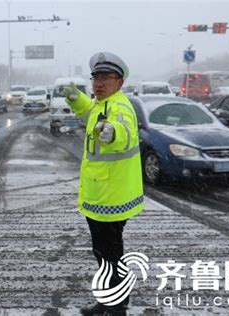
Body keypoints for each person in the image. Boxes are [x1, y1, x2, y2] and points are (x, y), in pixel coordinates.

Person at [62, 52, 145, 315]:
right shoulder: (103, 103)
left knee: (109, 255)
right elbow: (90, 112)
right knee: (105, 253)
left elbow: (124, 132)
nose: (99, 83)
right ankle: (110, 301)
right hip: (103, 194)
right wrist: (76, 99)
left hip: (111, 196)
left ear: (119, 83)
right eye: (96, 77)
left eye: (106, 78)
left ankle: (117, 305)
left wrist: (111, 134)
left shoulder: (119, 107)